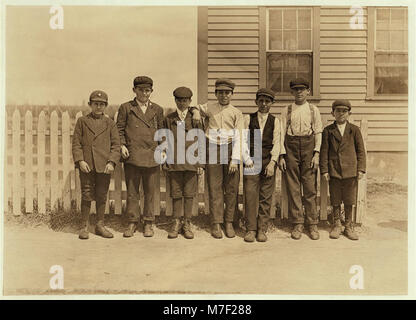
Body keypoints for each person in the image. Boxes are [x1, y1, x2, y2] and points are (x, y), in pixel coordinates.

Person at [190, 78, 243, 239]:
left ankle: (229, 222)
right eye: (220, 93)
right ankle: (216, 223)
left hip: (230, 149)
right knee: (215, 187)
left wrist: (234, 159)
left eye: (227, 93)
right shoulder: (209, 107)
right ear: (216, 94)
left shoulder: (236, 113)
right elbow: (194, 107)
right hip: (212, 148)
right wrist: (196, 112)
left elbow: (240, 137)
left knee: (232, 188)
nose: (224, 96)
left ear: (232, 94)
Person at [116, 76, 164, 238]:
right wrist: (122, 145)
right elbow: (119, 129)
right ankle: (132, 222)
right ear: (134, 90)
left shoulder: (157, 109)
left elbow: (162, 133)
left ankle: (149, 222)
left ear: (151, 91)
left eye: (147, 90)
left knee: (150, 191)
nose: (144, 93)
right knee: (132, 191)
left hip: (151, 155)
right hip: (132, 155)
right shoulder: (126, 108)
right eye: (141, 90)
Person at [278, 78, 323, 240]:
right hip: (291, 147)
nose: (299, 92)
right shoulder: (287, 109)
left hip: (308, 147)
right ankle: (297, 222)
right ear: (292, 92)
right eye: (296, 90)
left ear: (308, 92)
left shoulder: (313, 110)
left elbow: (318, 132)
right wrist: (282, 155)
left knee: (310, 187)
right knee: (293, 186)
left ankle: (312, 224)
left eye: (302, 90)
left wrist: (317, 153)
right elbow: (281, 134)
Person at [72, 90, 120, 240]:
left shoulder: (110, 123)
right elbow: (76, 144)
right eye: (95, 104)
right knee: (86, 193)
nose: (98, 107)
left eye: (101, 104)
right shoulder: (82, 121)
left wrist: (112, 162)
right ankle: (83, 226)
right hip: (87, 165)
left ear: (106, 106)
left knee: (101, 195)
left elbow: (116, 145)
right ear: (90, 105)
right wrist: (80, 161)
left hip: (104, 166)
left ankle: (100, 225)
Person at [320, 99, 366, 240]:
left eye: (344, 111)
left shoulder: (354, 130)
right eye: (338, 110)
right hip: (334, 170)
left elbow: (361, 151)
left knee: (349, 198)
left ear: (349, 113)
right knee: (335, 198)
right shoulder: (328, 131)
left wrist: (361, 169)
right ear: (332, 113)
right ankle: (337, 224)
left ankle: (348, 225)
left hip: (350, 171)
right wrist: (325, 170)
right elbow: (324, 152)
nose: (341, 113)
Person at [163, 87, 204, 239]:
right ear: (175, 101)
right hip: (174, 162)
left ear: (190, 102)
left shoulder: (196, 119)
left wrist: (200, 163)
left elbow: (201, 141)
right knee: (176, 193)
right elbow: (164, 139)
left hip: (191, 162)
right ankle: (175, 223)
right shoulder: (169, 118)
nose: (182, 103)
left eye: (185, 101)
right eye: (179, 100)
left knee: (189, 194)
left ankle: (187, 223)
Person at [242, 88, 280, 242]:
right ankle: (250, 228)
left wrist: (272, 163)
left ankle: (262, 229)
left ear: (272, 103)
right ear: (256, 102)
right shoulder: (248, 119)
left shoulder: (275, 121)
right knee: (250, 195)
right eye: (261, 101)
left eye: (267, 101)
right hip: (251, 160)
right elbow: (243, 141)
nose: (264, 104)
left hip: (267, 161)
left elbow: (277, 143)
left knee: (265, 196)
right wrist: (247, 159)